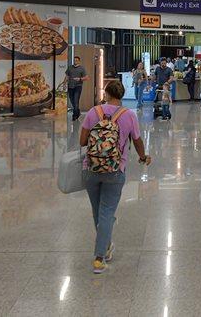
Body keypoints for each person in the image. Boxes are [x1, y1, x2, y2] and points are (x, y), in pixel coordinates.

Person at [80, 80, 150, 274]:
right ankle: (99, 258)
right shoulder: (129, 115)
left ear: (106, 93)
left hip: (91, 168)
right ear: (122, 94)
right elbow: (137, 141)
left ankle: (105, 246)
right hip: (115, 170)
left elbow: (82, 140)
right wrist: (143, 157)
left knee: (98, 212)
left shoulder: (94, 112)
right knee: (106, 213)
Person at [64, 56, 89, 121]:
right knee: (72, 101)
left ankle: (75, 115)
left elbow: (87, 77)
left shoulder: (82, 68)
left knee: (76, 101)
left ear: (79, 61)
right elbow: (67, 76)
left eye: (76, 60)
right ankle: (77, 111)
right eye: (74, 60)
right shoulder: (70, 68)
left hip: (78, 87)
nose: (75, 61)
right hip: (70, 86)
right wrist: (64, 84)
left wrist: (80, 79)